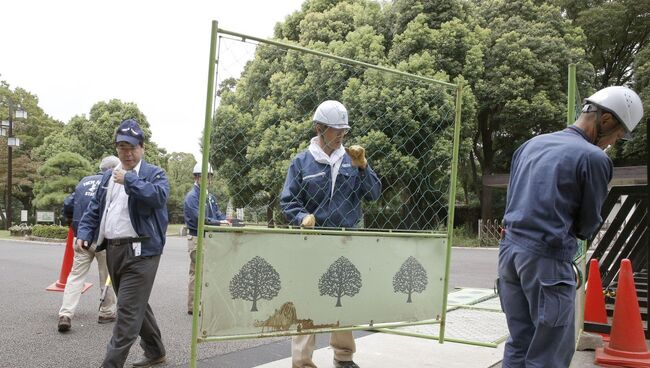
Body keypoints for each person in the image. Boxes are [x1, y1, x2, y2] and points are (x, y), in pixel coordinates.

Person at [498, 86, 644, 367]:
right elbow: (588, 222)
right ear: (606, 121)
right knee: (549, 354)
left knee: (519, 342)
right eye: (617, 136)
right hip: (547, 262)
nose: (612, 143)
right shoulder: (593, 158)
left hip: (509, 256)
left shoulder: (531, 145)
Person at [280, 100, 382, 368]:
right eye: (335, 130)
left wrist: (363, 167)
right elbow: (288, 200)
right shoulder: (302, 162)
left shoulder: (351, 159)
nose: (340, 135)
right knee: (307, 302)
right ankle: (302, 362)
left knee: (343, 297)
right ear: (319, 128)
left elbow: (373, 193)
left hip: (344, 242)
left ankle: (344, 357)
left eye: (343, 130)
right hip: (312, 243)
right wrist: (302, 217)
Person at [76, 118, 169, 368]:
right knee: (136, 304)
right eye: (122, 147)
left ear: (142, 147)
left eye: (132, 147)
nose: (127, 153)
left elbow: (158, 198)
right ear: (116, 148)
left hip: (143, 251)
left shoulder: (154, 174)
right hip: (114, 250)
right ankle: (156, 351)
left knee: (126, 312)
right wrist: (84, 231)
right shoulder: (108, 177)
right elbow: (95, 209)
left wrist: (129, 180)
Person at [57, 155, 120, 333]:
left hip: (82, 238)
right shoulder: (113, 183)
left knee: (75, 277)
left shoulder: (84, 182)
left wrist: (73, 223)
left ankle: (66, 314)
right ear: (115, 169)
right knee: (106, 276)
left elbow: (68, 203)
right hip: (103, 240)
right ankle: (106, 312)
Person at [183, 162, 230, 315]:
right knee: (198, 272)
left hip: (209, 237)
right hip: (197, 237)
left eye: (210, 176)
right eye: (205, 176)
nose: (208, 179)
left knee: (207, 271)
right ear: (197, 177)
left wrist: (226, 220)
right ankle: (194, 306)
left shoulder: (209, 196)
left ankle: (202, 303)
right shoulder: (192, 197)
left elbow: (217, 214)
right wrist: (219, 222)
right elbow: (200, 218)